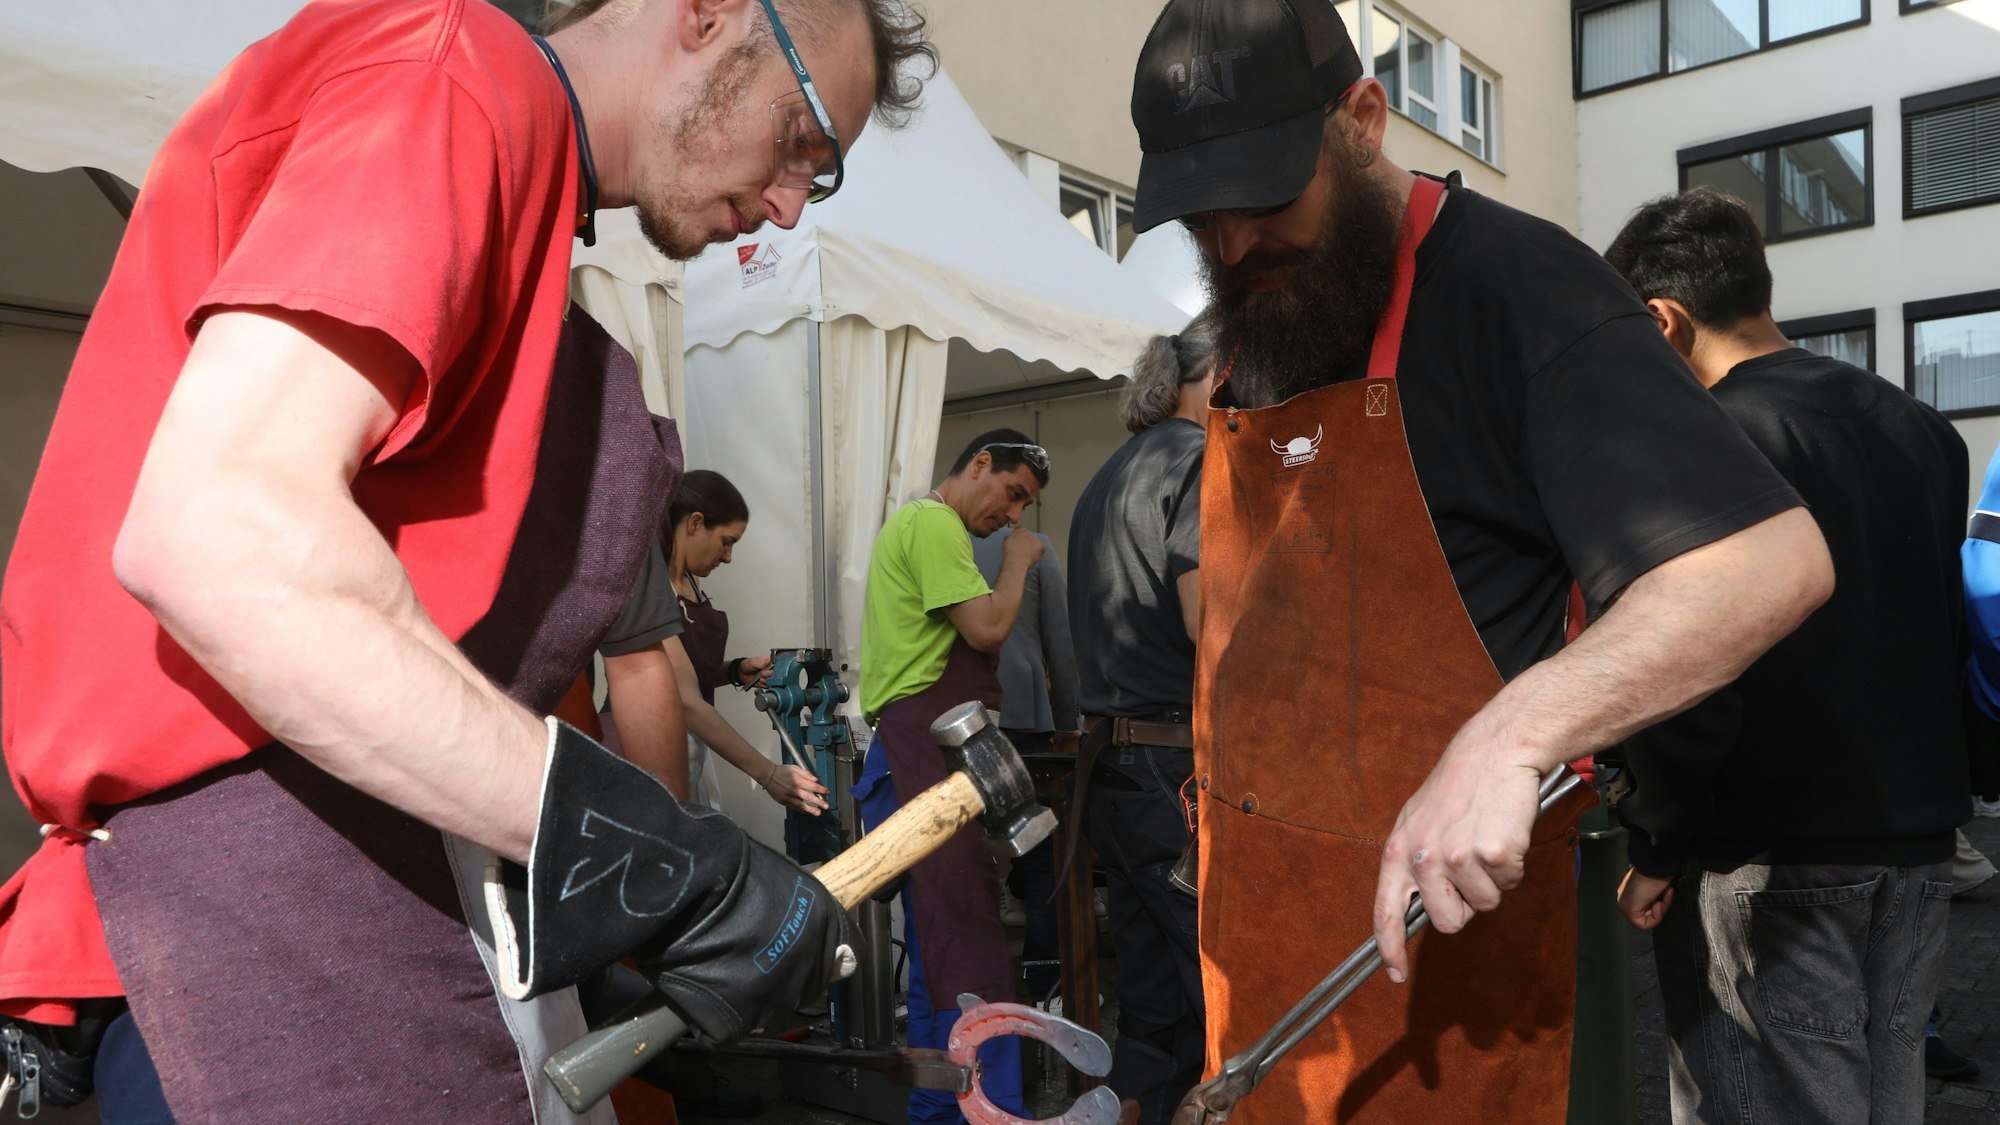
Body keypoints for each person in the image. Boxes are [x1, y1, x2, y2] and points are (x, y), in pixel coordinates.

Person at [0, 0, 932, 1119]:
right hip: (248, 918)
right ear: (708, 14)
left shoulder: (533, 228)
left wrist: (600, 943)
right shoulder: (455, 79)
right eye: (799, 140)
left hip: (374, 900)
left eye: (815, 181)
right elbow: (222, 538)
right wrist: (649, 864)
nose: (787, 206)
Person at [1126, 2, 1834, 1120]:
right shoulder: (1265, 317)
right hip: (1260, 979)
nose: (1229, 246)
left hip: (1438, 998)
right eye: (1198, 218)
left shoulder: (1517, 289)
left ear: (1360, 121)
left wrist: (1510, 737)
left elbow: (1764, 562)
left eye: (1260, 201)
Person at [1601, 187, 1969, 1124]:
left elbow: (1697, 663)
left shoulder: (1705, 436)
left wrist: (1658, 837)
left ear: (1663, 320)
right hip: (1918, 843)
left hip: (1770, 854)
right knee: (1892, 1100)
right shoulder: (1922, 430)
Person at [853, 429, 1049, 1124]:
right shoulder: (934, 523)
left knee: (938, 935)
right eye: (1013, 493)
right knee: (963, 933)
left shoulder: (922, 526)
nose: (1015, 516)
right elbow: (988, 629)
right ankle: (990, 1106)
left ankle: (940, 1105)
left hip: (915, 744)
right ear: (978, 464)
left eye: (1025, 508)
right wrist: (1019, 563)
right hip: (927, 748)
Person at [1064, 316, 1217, 1124]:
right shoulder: (1196, 458)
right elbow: (1209, 622)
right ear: (1219, 376)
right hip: (1170, 771)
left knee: (1154, 1003)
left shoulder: (1102, 477)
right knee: (1220, 985)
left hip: (1115, 773)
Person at [600, 470, 829, 815]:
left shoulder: (687, 583)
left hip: (686, 747)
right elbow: (686, 700)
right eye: (727, 541)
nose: (728, 557)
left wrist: (735, 671)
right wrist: (769, 775)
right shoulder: (649, 587)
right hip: (638, 748)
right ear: (695, 523)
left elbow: (684, 671)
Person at [969, 522, 1078, 1002]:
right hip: (1023, 713)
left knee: (966, 856)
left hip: (956, 716)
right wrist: (1069, 719)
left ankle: (975, 984)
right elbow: (1062, 640)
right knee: (1039, 857)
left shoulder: (935, 538)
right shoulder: (1036, 545)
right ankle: (1044, 980)